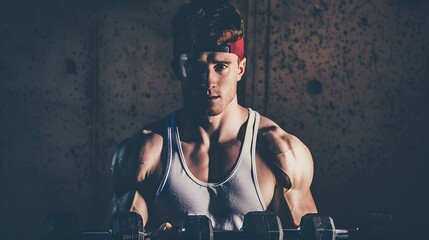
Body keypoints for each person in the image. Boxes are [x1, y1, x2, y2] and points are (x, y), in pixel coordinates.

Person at [110, 0, 317, 232]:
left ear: (240, 68)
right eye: (195, 67)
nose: (208, 81)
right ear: (178, 69)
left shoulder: (281, 154)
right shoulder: (144, 156)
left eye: (221, 66)